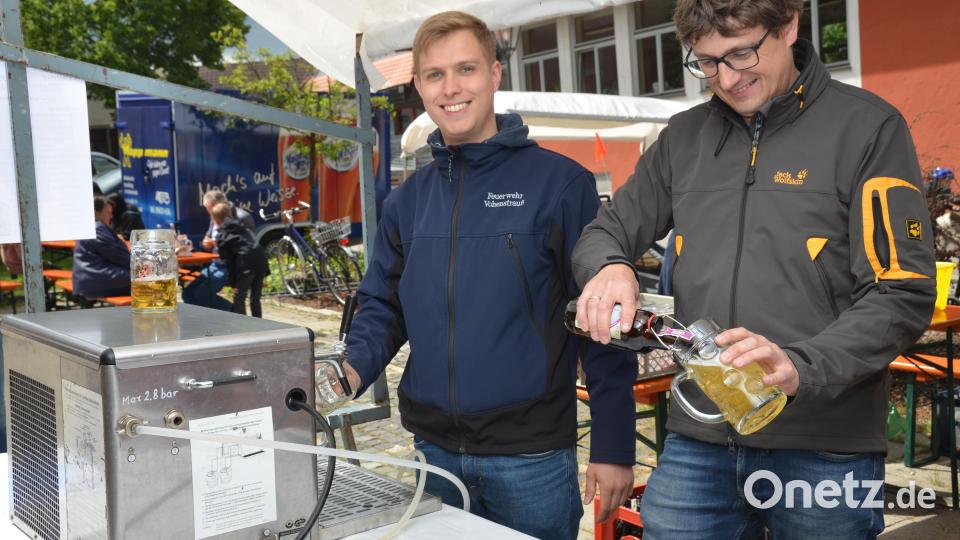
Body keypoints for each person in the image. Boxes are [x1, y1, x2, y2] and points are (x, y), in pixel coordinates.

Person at [571, 1, 936, 538]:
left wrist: (802, 365)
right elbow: (604, 232)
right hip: (700, 436)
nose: (726, 79)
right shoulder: (683, 137)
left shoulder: (868, 128)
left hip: (824, 445)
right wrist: (609, 267)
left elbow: (900, 292)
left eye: (741, 53)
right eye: (707, 62)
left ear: (788, 26)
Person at [339, 11, 638, 540]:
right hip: (432, 454)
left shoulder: (559, 184)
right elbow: (383, 306)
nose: (451, 88)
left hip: (531, 458)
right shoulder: (407, 202)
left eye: (466, 69)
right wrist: (351, 369)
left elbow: (601, 320)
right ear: (419, 86)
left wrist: (614, 445)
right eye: (435, 75)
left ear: (495, 74)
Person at [182, 189, 255, 310]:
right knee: (188, 294)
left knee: (201, 294)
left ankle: (233, 312)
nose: (209, 212)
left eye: (209, 208)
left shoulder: (242, 217)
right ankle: (210, 318)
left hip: (230, 266)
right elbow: (208, 236)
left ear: (219, 204)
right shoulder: (215, 215)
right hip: (215, 264)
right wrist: (206, 242)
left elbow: (246, 246)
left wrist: (216, 242)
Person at [210, 202, 268, 317]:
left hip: (246, 263)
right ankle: (259, 323)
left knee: (239, 296)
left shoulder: (223, 235)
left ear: (215, 219)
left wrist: (233, 283)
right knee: (255, 297)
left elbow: (228, 261)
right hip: (261, 260)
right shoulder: (241, 225)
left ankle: (242, 325)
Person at [73, 195, 131, 300]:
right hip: (98, 281)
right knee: (149, 279)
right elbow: (120, 257)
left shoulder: (90, 227)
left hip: (91, 280)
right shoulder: (97, 229)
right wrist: (144, 268)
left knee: (144, 277)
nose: (111, 216)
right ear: (96, 213)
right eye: (108, 213)